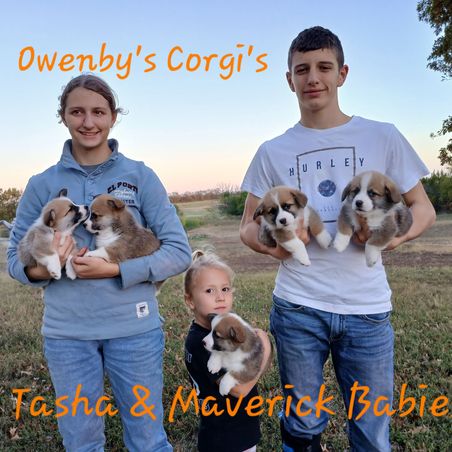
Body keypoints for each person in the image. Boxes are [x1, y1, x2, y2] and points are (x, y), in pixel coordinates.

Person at [239, 26, 436, 452]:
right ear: (289, 79)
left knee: (371, 430)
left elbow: (423, 208)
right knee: (302, 424)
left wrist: (390, 239)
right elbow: (247, 227)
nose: (313, 78)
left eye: (324, 67)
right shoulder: (272, 151)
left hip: (367, 309)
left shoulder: (382, 136)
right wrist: (278, 243)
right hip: (297, 307)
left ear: (342, 74)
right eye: (302, 69)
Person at [7, 74, 192, 451]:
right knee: (81, 441)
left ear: (113, 117)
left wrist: (118, 270)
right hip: (67, 334)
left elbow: (178, 252)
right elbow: (14, 259)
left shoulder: (140, 176)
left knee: (148, 440)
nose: (88, 121)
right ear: (63, 116)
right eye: (77, 112)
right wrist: (46, 267)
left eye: (98, 112)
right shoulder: (42, 183)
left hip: (134, 330)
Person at [183, 250, 272, 452]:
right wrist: (264, 349)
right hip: (226, 435)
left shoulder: (218, 330)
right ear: (190, 300)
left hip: (234, 428)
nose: (220, 297)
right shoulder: (204, 343)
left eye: (225, 289)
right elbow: (239, 390)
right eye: (209, 291)